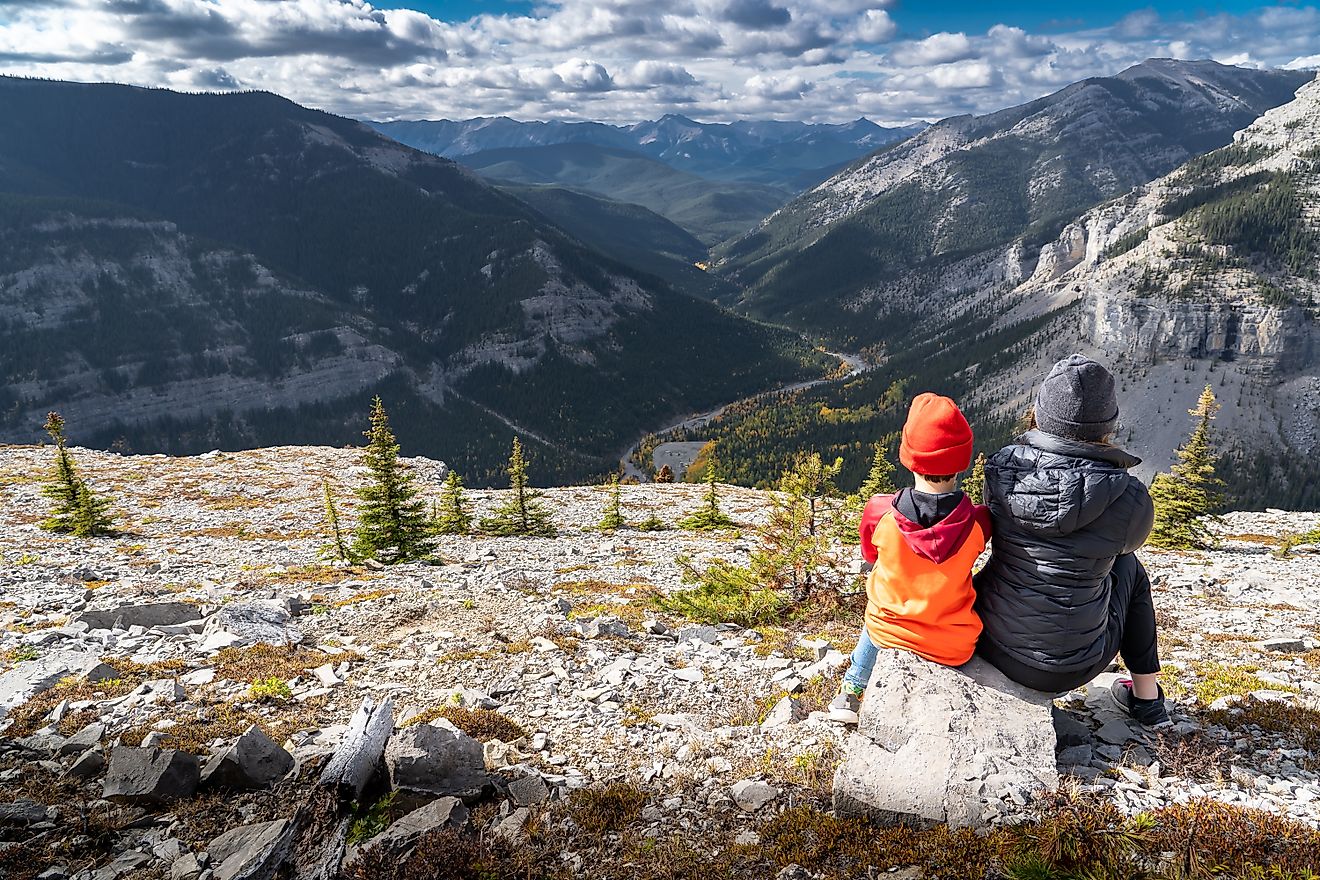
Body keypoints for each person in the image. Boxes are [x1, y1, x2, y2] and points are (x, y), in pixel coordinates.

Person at [974, 354, 1169, 727]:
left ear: (1041, 414)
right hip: (1076, 664)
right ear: (1106, 423)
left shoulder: (1001, 471)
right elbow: (1127, 546)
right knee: (1129, 568)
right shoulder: (1129, 498)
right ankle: (1147, 700)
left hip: (992, 643)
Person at [828, 393, 992, 724]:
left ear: (909, 457)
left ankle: (852, 690)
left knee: (876, 613)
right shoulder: (979, 522)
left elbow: (870, 554)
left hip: (887, 633)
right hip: (953, 644)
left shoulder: (879, 511)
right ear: (961, 461)